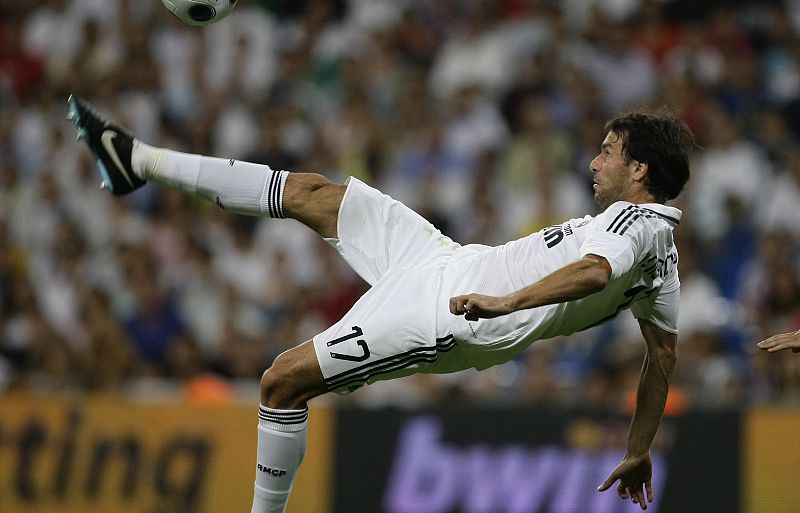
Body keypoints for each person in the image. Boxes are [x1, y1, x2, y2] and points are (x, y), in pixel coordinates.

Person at [66, 95, 696, 512]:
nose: (594, 160)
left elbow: (589, 274)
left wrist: (507, 302)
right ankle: (138, 161)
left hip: (453, 313)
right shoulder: (654, 252)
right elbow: (661, 354)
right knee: (317, 194)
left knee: (281, 382)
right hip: (446, 260)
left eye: (608, 150)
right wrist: (639, 446)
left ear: (639, 169)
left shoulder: (638, 228)